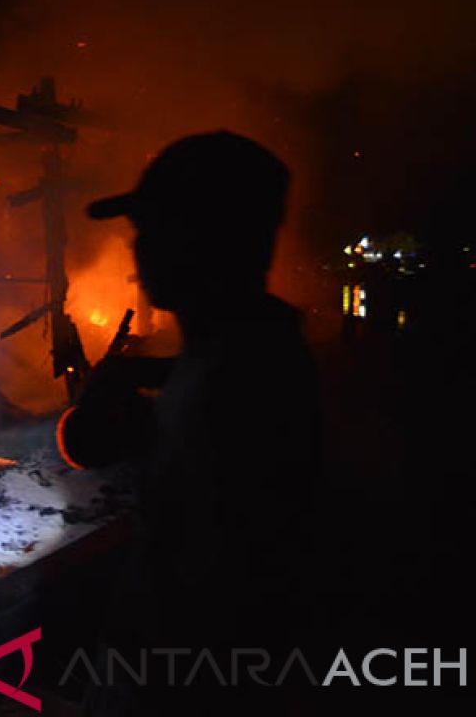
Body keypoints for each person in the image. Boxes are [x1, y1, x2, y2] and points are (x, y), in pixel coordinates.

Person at [75, 131, 322, 714]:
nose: (138, 250)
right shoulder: (244, 350)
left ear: (206, 238)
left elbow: (210, 591)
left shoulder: (240, 393)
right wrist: (146, 374)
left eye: (152, 230)